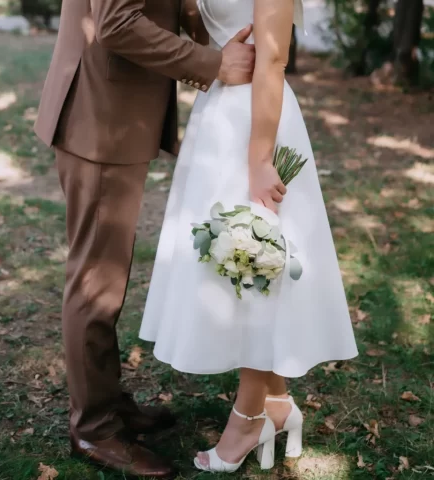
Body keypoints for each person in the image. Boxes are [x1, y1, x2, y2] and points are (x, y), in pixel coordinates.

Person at [34, 0, 256, 478]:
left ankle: (107, 404)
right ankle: (94, 429)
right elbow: (116, 23)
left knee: (107, 275)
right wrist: (213, 64)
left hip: (110, 112)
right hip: (99, 117)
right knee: (96, 281)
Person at [139, 0, 359, 473]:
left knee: (255, 263)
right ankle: (276, 403)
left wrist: (260, 158)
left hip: (259, 120)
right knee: (233, 265)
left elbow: (273, 56)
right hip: (219, 114)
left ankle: (248, 418)